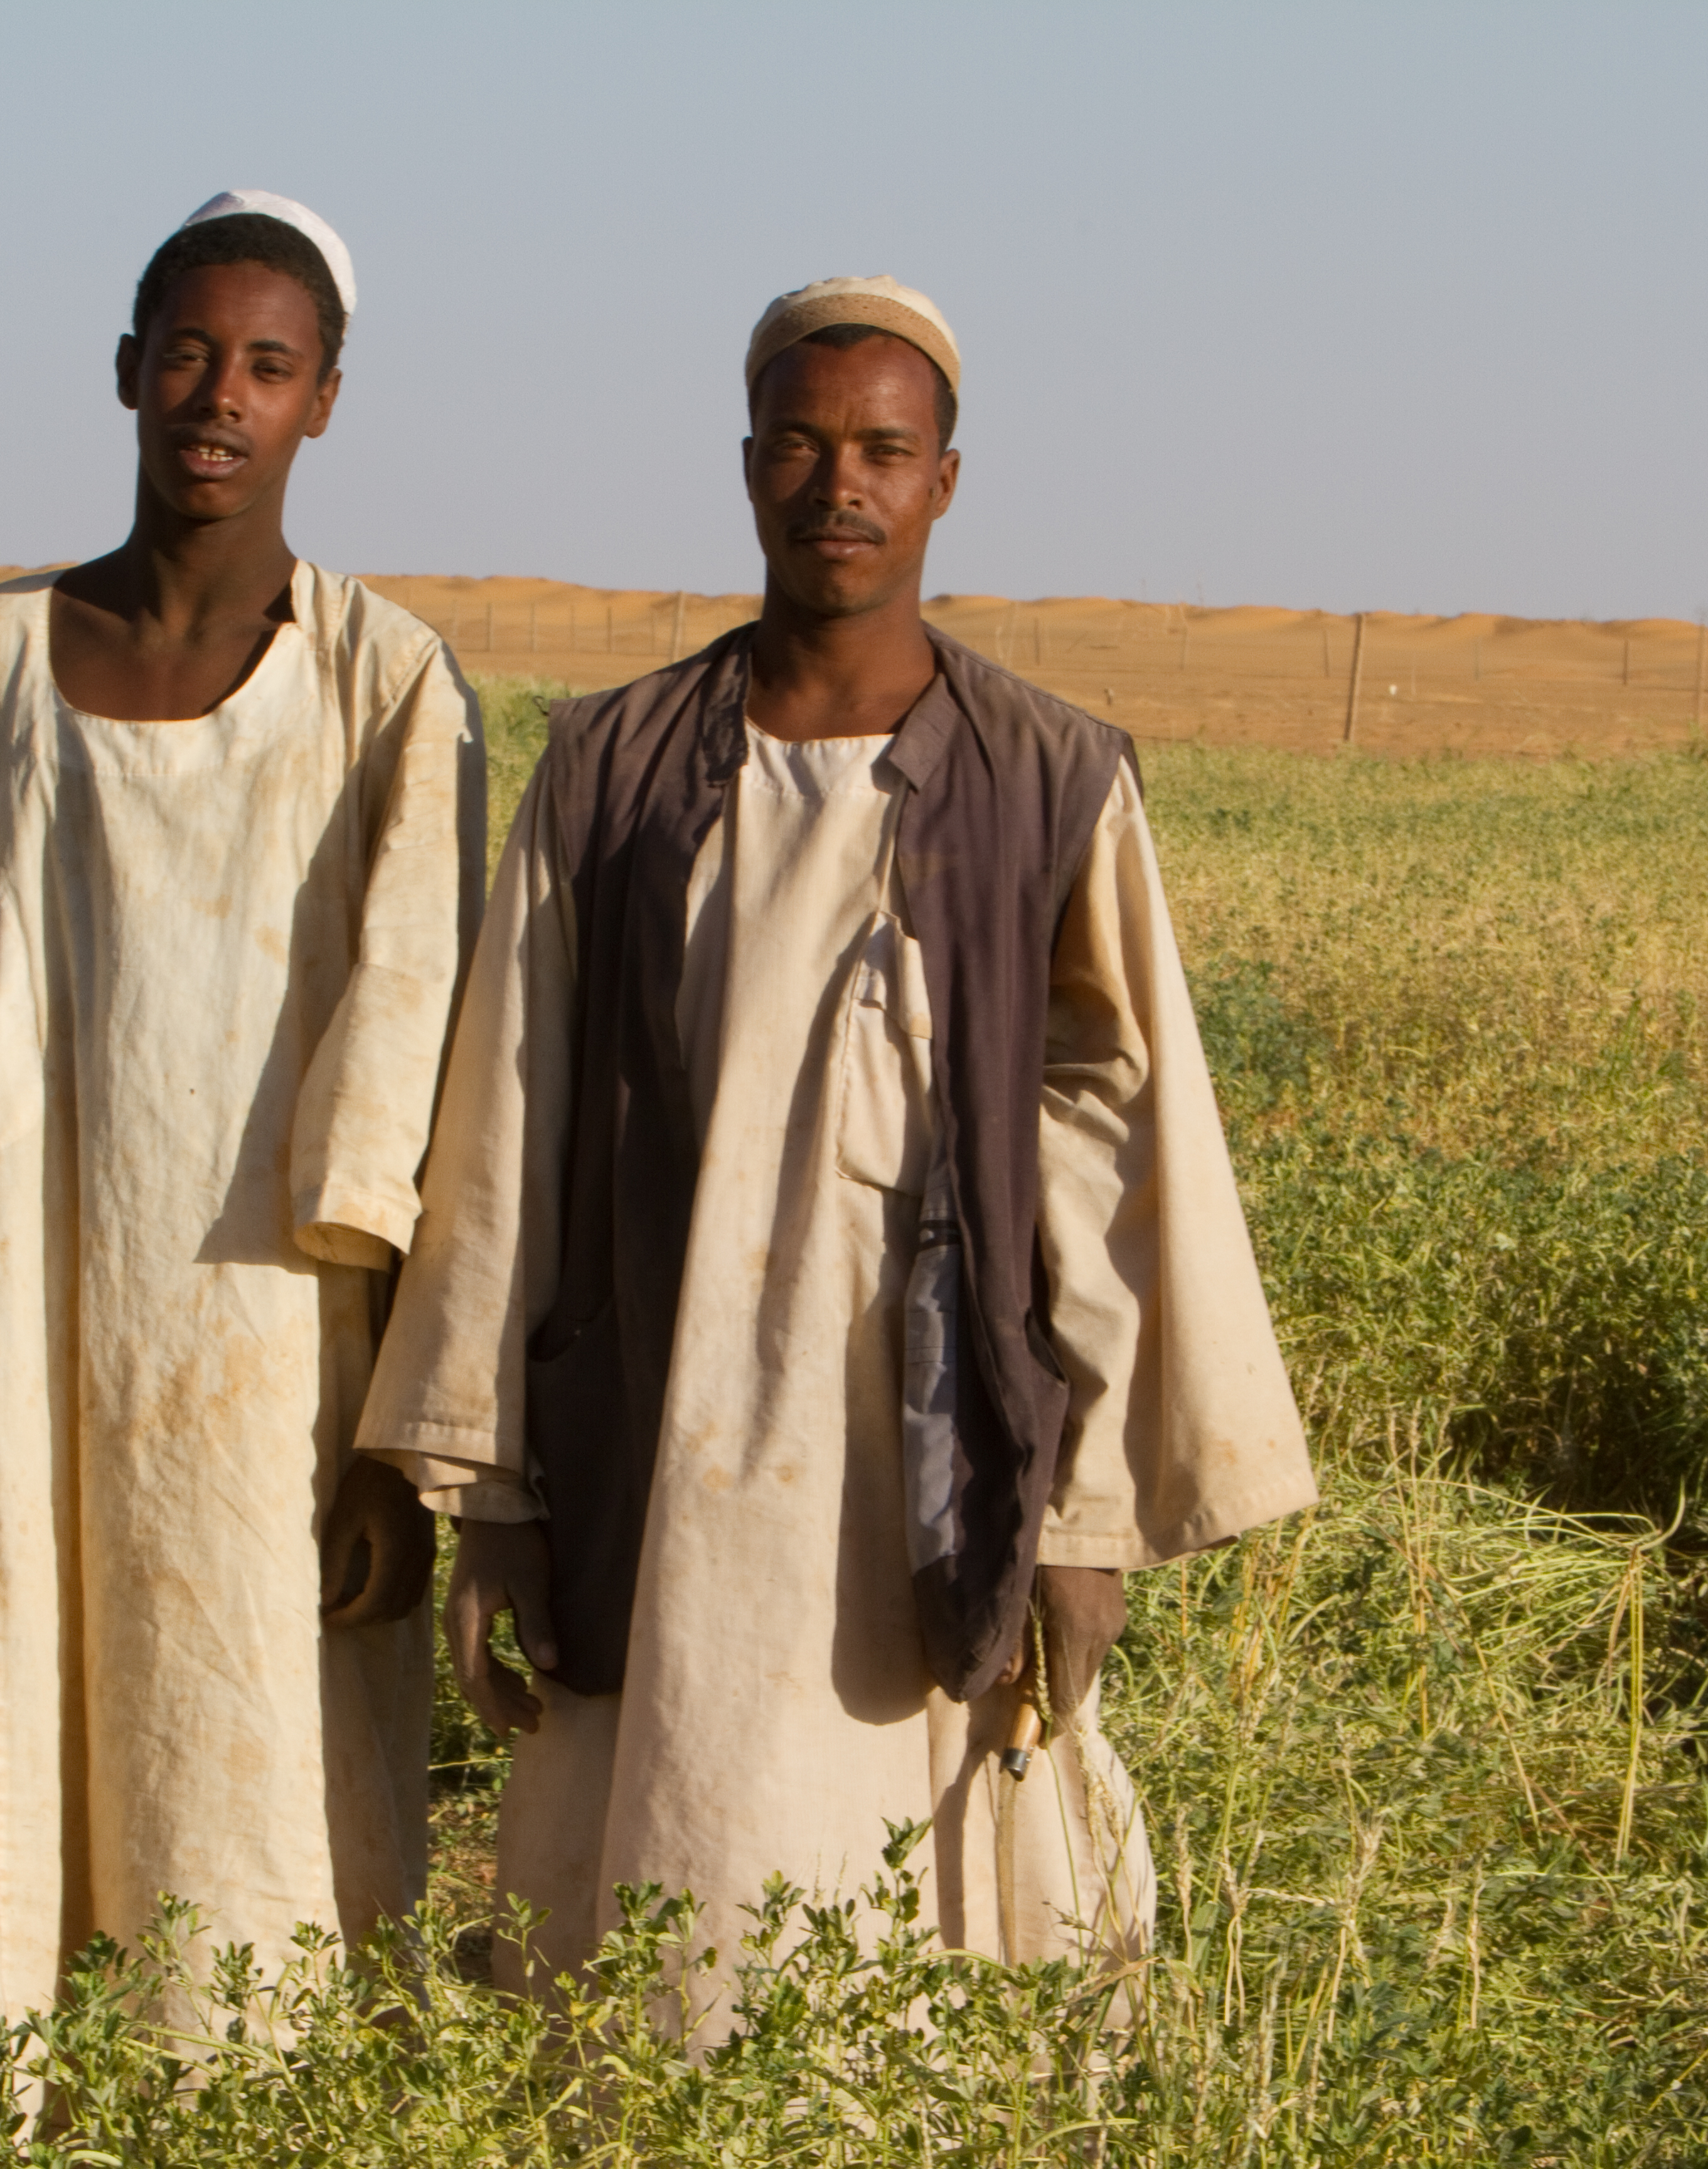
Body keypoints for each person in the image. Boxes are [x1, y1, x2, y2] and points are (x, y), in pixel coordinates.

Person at [358, 276, 1313, 2030]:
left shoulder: (1053, 781)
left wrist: (1088, 1519)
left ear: (946, 479)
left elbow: (1120, 1157)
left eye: (882, 449)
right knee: (658, 1940)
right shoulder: (610, 770)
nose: (839, 485)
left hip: (938, 1454)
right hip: (657, 1441)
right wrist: (492, 1498)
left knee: (932, 1984)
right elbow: (506, 1129)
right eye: (800, 445)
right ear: (747, 466)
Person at [0, 190, 481, 2052]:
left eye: (268, 365)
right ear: (125, 372)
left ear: (326, 401)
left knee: (248, 1804)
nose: (219, 396)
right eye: (187, 353)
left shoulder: (389, 687)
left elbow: (416, 1074)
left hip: (274, 1374)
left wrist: (397, 1454)